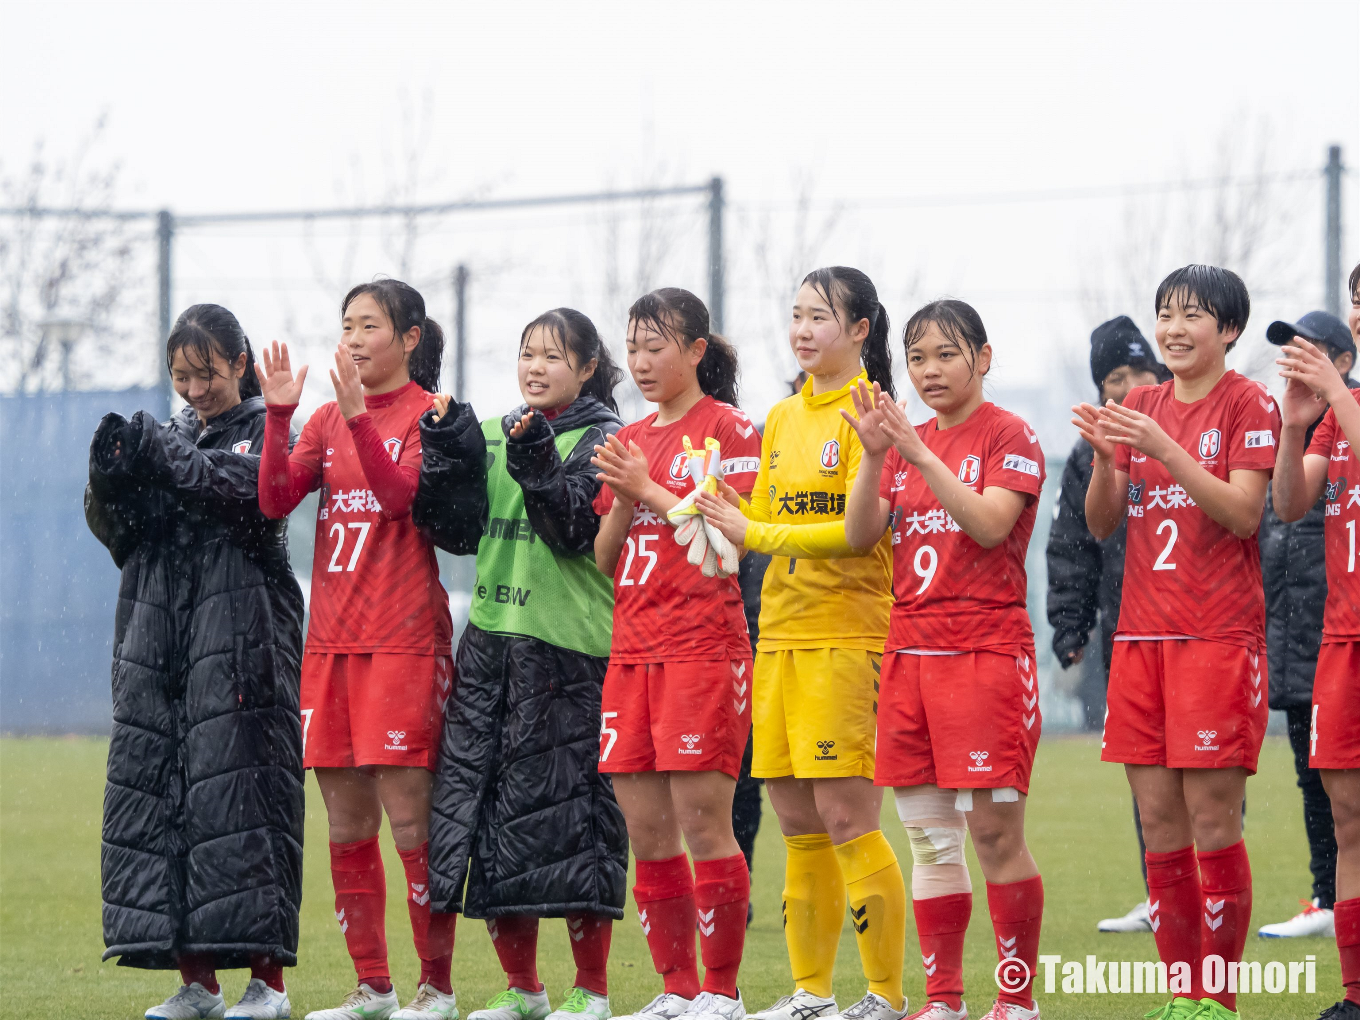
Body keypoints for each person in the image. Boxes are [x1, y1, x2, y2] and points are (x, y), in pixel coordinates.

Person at [696, 267, 905, 1020]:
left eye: (821, 316)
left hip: (845, 640)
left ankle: (883, 994)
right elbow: (761, 517)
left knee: (849, 819)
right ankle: (811, 993)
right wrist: (719, 510)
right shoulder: (781, 418)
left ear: (860, 331)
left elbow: (857, 534)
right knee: (794, 823)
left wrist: (754, 531)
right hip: (777, 637)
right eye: (796, 315)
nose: (804, 329)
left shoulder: (875, 417)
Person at [410, 308, 630, 1020]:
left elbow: (572, 529)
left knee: (573, 826)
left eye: (553, 357)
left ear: (589, 367)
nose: (536, 368)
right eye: (527, 354)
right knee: (491, 822)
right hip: (492, 645)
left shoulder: (605, 440)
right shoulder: (509, 432)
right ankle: (523, 988)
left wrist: (533, 450)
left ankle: (591, 990)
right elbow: (454, 528)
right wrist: (446, 445)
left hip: (569, 649)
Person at [87, 304, 305, 1020]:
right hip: (161, 647)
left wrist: (159, 453)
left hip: (241, 644)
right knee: (170, 804)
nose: (193, 389)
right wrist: (109, 480)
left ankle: (267, 985)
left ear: (240, 364)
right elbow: (124, 536)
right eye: (180, 376)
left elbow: (245, 500)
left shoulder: (267, 436)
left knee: (243, 808)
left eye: (206, 373)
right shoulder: (172, 436)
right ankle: (197, 983)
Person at [1077, 264, 1279, 1020]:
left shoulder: (1246, 403)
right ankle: (1181, 997)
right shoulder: (1140, 405)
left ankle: (1218, 1001)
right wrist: (1107, 458)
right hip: (1141, 638)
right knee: (1159, 823)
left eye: (1192, 314)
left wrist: (1165, 449)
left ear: (1228, 329)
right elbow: (1103, 524)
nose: (1173, 328)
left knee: (1211, 821)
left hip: (1217, 637)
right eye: (1166, 313)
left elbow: (1243, 514)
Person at [842, 299, 1047, 1020]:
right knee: (930, 840)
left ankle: (1016, 1004)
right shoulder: (903, 444)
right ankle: (945, 1002)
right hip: (910, 656)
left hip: (984, 654)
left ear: (983, 359)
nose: (929, 371)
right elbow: (862, 533)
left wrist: (921, 452)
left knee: (994, 836)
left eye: (946, 355)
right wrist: (875, 456)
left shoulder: (1009, 434)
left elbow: (991, 525)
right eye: (917, 358)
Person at [257, 280, 456, 1020]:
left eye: (370, 325)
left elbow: (401, 496)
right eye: (347, 325)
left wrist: (356, 421)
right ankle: (374, 987)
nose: (355, 338)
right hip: (330, 643)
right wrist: (280, 415)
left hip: (402, 640)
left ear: (409, 338)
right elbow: (276, 497)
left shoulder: (428, 414)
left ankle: (436, 987)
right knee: (345, 825)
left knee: (410, 822)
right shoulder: (321, 419)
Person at [589, 287, 762, 1020]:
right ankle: (674, 988)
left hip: (703, 649)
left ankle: (722, 992)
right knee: (647, 830)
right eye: (632, 347)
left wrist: (648, 490)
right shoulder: (629, 438)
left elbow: (731, 545)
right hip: (632, 652)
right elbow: (603, 560)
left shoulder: (732, 430)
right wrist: (626, 499)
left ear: (695, 350)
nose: (640, 361)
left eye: (655, 346)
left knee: (702, 823)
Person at [1044, 316, 1166, 934]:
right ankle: (1162, 896)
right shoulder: (1092, 450)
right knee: (1145, 774)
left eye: (1139, 371)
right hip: (1127, 631)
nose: (1129, 387)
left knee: (1207, 780)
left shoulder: (1191, 428)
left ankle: (1205, 891)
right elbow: (1072, 546)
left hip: (1200, 630)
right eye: (1114, 379)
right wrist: (1070, 626)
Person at [1271, 261, 1360, 1020]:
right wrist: (1297, 422)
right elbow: (1290, 502)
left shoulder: (1347, 401)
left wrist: (1332, 393)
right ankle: (1356, 995)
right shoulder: (1335, 411)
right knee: (1347, 815)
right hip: (1343, 638)